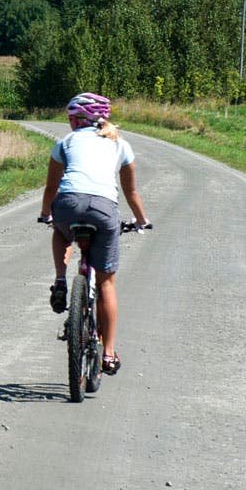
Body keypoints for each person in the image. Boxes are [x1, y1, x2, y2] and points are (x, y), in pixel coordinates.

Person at [37, 92, 152, 376]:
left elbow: (51, 189)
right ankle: (109, 353)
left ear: (78, 119)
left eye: (70, 118)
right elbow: (131, 191)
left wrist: (46, 215)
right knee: (106, 285)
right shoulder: (120, 145)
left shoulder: (64, 142)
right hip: (103, 209)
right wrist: (141, 220)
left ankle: (61, 280)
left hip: (68, 203)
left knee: (61, 232)